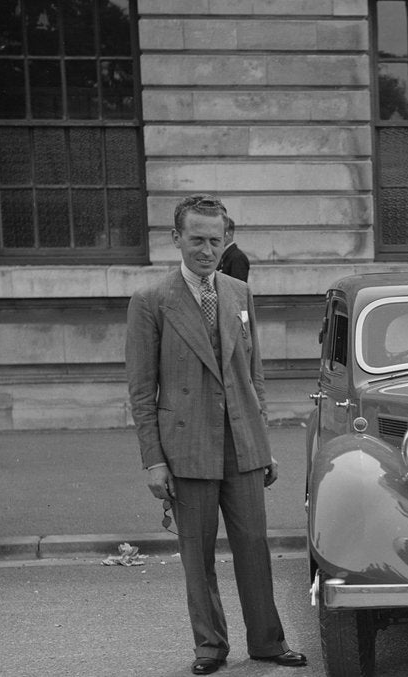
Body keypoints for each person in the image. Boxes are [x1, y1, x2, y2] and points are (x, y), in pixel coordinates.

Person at [125, 194, 305, 675]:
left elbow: (253, 375)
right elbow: (141, 391)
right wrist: (154, 460)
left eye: (215, 240)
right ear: (176, 239)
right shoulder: (151, 301)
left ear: (226, 240)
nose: (206, 250)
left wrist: (263, 445)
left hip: (242, 445)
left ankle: (267, 642)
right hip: (186, 449)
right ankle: (210, 647)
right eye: (197, 239)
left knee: (255, 549)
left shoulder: (238, 291)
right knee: (197, 556)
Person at [216, 216, 250, 281]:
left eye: (218, 232)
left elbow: (238, 285)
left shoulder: (238, 258)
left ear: (229, 234)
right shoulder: (224, 255)